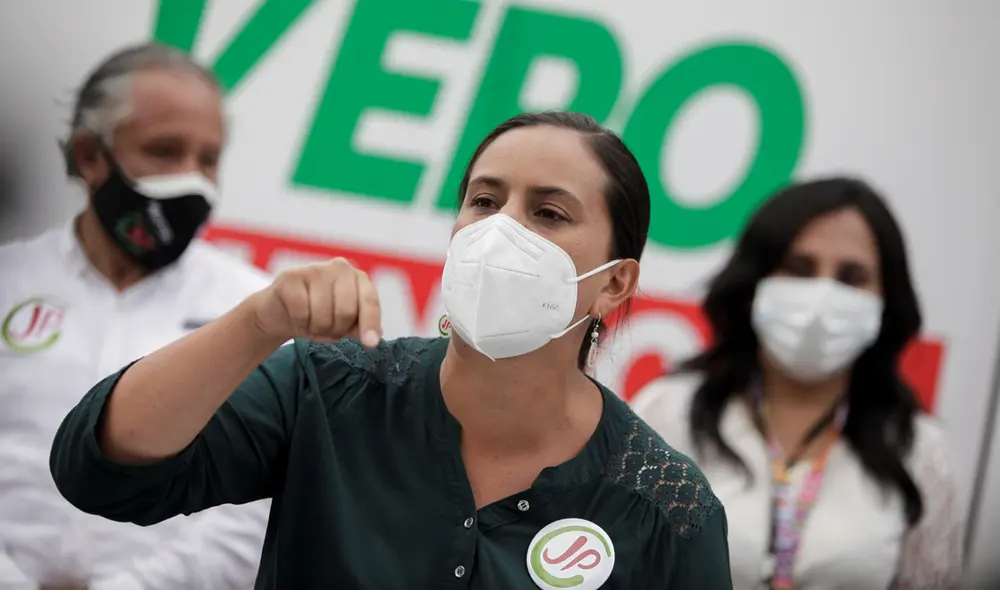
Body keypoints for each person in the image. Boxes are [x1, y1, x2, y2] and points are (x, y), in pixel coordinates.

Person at [48, 111, 734, 589]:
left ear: (615, 284)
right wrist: (258, 322)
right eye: (484, 201)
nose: (500, 232)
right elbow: (100, 469)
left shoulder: (666, 505)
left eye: (548, 213)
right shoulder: (332, 385)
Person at [0, 44, 271, 590]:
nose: (192, 180)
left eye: (209, 159)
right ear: (89, 155)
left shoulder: (254, 312)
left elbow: (258, 507)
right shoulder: (9, 279)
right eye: (165, 150)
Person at [631, 177, 964, 589]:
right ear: (753, 285)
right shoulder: (667, 413)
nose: (821, 297)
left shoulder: (920, 452)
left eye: (852, 277)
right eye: (799, 268)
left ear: (885, 304)